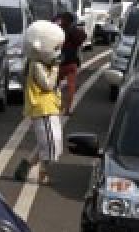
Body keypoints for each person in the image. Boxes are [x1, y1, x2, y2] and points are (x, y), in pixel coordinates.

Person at [15, 20, 65, 185]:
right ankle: (42, 172)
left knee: (50, 140)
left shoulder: (42, 64)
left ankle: (27, 164)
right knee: (51, 142)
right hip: (42, 107)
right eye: (56, 49)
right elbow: (48, 84)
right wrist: (56, 69)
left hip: (49, 106)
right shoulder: (36, 65)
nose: (59, 54)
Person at [56, 11, 87, 116]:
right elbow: (83, 38)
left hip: (58, 63)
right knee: (71, 86)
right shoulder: (75, 31)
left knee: (54, 85)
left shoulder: (57, 30)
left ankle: (56, 106)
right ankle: (68, 109)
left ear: (63, 20)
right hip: (72, 62)